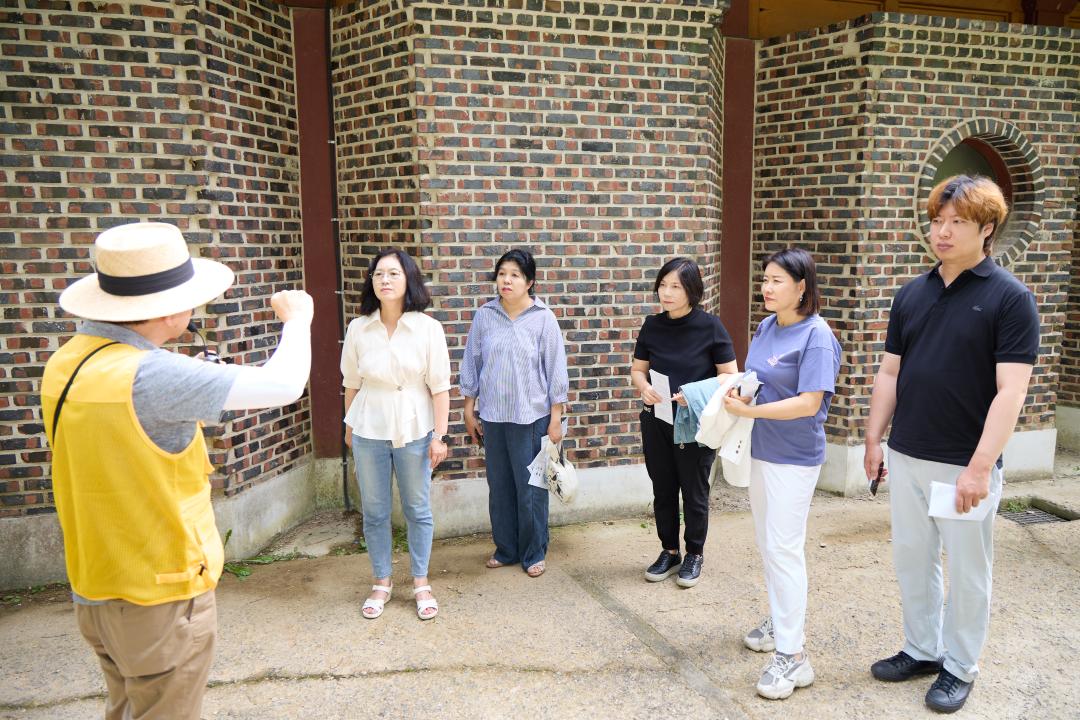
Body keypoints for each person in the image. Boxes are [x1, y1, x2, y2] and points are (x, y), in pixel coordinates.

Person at [41, 222, 313, 720]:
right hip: (160, 598)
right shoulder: (153, 374)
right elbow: (285, 383)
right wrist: (298, 318)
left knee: (127, 709)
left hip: (98, 588)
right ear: (168, 309)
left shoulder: (66, 362)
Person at [863, 175, 1039, 713]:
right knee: (913, 560)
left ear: (987, 228)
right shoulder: (911, 293)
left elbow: (1011, 390)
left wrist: (980, 467)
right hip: (907, 453)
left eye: (956, 222)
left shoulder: (1009, 298)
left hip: (963, 463)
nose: (941, 231)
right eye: (937, 220)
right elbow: (890, 372)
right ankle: (922, 648)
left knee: (967, 570)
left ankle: (960, 666)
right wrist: (874, 439)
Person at [723, 247, 841, 700]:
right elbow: (759, 382)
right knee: (769, 545)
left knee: (785, 548)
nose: (766, 287)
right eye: (765, 279)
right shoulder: (767, 326)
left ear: (801, 287)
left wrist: (752, 413)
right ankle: (780, 618)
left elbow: (810, 402)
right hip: (762, 451)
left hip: (794, 458)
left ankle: (794, 657)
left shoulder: (817, 336)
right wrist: (736, 396)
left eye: (776, 280)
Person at [341, 248, 451, 621]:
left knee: (417, 509)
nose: (384, 280)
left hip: (416, 428)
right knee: (374, 511)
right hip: (369, 428)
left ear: (408, 281)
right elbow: (351, 383)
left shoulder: (428, 328)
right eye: (378, 274)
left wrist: (440, 435)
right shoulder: (359, 328)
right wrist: (349, 426)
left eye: (393, 273)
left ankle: (420, 582)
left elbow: (439, 387)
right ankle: (381, 581)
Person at [460, 248, 568, 578]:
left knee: (531, 489)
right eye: (502, 273)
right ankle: (506, 548)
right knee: (501, 486)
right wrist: (468, 409)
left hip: (532, 417)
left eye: (515, 275)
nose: (506, 280)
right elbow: (472, 363)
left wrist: (555, 418)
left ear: (529, 282)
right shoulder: (485, 316)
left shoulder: (543, 318)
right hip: (493, 416)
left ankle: (534, 551)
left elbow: (556, 371)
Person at [630, 257, 738, 588]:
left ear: (692, 290)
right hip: (657, 420)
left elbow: (730, 375)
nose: (667, 292)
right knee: (663, 490)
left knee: (694, 491)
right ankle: (669, 551)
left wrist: (693, 392)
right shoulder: (652, 325)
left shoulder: (710, 327)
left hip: (694, 423)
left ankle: (694, 553)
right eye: (663, 285)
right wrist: (645, 387)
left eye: (675, 286)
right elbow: (637, 369)